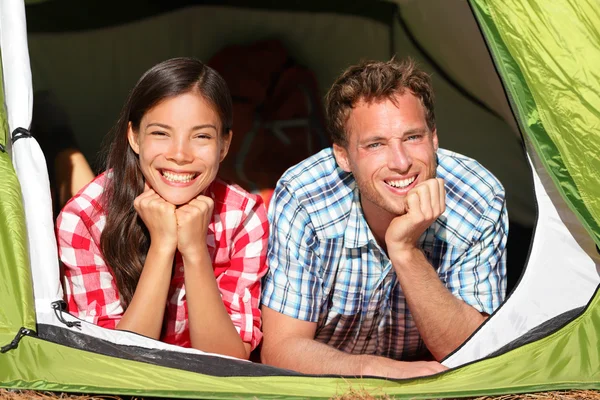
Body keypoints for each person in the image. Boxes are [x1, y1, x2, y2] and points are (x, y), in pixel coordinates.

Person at [260, 58, 508, 377]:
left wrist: (405, 249)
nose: (401, 162)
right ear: (343, 156)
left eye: (412, 137)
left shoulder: (478, 198)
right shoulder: (305, 195)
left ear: (434, 138)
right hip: (326, 380)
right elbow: (281, 348)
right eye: (375, 144)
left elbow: (476, 353)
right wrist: (374, 369)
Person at [56, 57, 269, 359]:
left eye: (201, 136)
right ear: (134, 136)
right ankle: (61, 145)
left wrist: (195, 250)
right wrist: (163, 245)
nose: (180, 155)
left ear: (224, 145)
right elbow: (112, 364)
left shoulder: (245, 216)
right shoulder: (82, 219)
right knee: (72, 173)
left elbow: (230, 361)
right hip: (125, 377)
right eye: (160, 133)